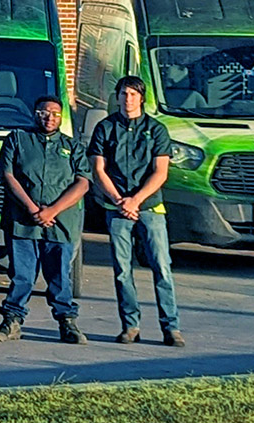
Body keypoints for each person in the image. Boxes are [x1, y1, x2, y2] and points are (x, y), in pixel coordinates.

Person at [89, 76, 183, 347]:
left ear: (141, 98)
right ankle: (130, 325)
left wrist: (136, 200)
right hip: (116, 208)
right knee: (122, 270)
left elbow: (161, 172)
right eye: (123, 93)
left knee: (162, 267)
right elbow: (98, 169)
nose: (128, 98)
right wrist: (120, 200)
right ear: (116, 97)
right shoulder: (105, 128)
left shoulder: (157, 130)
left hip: (151, 207)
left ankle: (171, 328)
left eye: (133, 94)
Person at [0, 96, 89, 345]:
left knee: (60, 276)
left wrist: (53, 211)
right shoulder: (17, 139)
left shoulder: (73, 146)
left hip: (60, 224)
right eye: (44, 112)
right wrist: (31, 208)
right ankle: (12, 321)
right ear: (35, 114)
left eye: (55, 114)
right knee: (22, 276)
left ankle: (67, 323)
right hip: (22, 221)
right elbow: (7, 174)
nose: (49, 118)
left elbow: (83, 182)